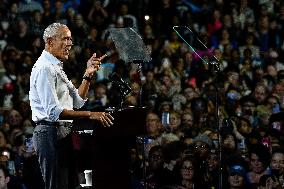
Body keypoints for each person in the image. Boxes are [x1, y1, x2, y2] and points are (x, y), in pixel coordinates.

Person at [29, 22, 114, 189]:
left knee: (67, 184)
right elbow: (54, 112)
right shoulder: (45, 68)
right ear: (50, 41)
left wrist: (88, 75)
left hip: (62, 133)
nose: (70, 44)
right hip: (49, 133)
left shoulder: (56, 67)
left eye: (70, 39)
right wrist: (91, 115)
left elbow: (77, 101)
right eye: (65, 39)